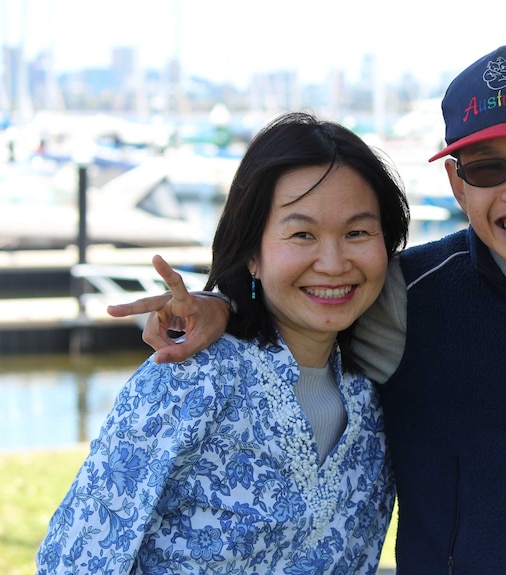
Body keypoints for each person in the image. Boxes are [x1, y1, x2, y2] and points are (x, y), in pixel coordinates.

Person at [111, 45, 506, 574]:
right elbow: (304, 312)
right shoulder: (408, 293)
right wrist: (222, 304)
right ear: (457, 186)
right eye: (487, 168)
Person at [36, 112, 411, 575]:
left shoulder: (373, 396)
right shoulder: (191, 380)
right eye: (302, 234)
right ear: (252, 253)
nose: (333, 263)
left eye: (357, 232)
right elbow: (73, 560)